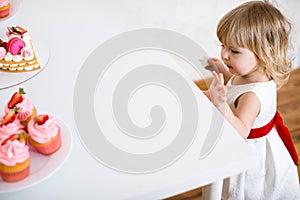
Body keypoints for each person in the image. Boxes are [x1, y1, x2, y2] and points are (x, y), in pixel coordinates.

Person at [203, 0, 300, 199]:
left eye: (234, 51)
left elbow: (241, 130)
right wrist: (222, 71)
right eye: (223, 46)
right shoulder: (254, 75)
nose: (224, 54)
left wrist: (220, 102)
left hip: (247, 157)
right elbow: (237, 85)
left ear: (265, 53)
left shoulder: (252, 97)